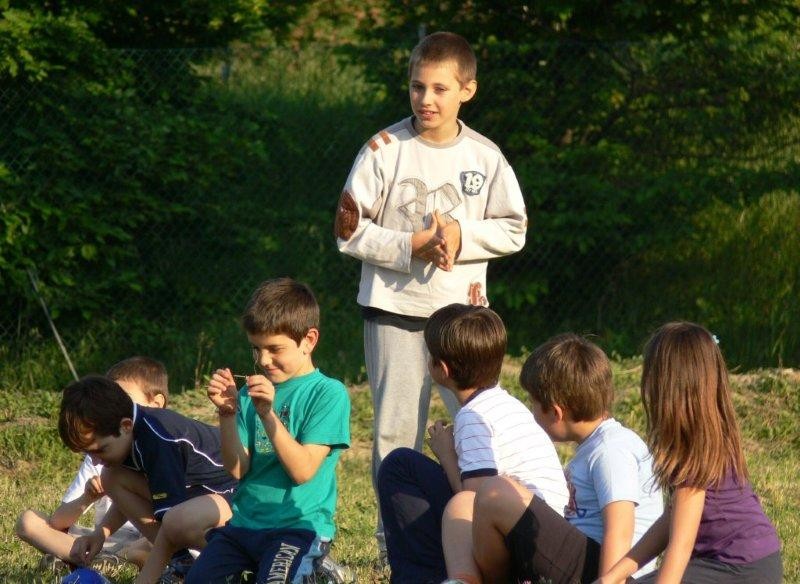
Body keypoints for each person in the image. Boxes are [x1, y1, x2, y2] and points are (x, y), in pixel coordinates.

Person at [335, 30, 527, 556]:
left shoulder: (486, 158)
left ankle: (491, 530)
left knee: (479, 429)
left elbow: (515, 228)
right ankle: (394, 542)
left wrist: (462, 237)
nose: (427, 100)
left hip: (462, 320)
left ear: (467, 90)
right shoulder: (383, 149)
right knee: (395, 435)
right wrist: (411, 245)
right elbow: (347, 230)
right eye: (418, 87)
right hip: (394, 314)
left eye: (441, 89)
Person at [377, 304, 568, 584]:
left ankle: (423, 577)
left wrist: (446, 455)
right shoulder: (507, 404)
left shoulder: (473, 417)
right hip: (547, 536)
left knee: (400, 466)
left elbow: (476, 501)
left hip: (522, 546)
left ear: (441, 368)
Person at [450, 334, 663, 584]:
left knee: (495, 492)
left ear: (555, 412)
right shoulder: (595, 445)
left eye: (534, 403)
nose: (531, 411)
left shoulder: (611, 449)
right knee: (464, 503)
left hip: (608, 571)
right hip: (579, 559)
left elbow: (620, 529)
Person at [186, 277, 351, 583]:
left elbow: (302, 471)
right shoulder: (249, 394)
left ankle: (315, 568)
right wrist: (226, 414)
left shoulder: (328, 393)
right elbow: (236, 470)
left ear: (309, 340)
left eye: (275, 349)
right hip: (244, 526)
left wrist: (268, 415)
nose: (263, 360)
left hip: (297, 529)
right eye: (256, 349)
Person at [597, 322, 783, 583]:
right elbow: (671, 521)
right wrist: (612, 577)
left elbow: (679, 549)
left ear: (667, 387)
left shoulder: (692, 455)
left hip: (737, 569)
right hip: (752, 563)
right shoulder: (710, 434)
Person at [57, 375, 238, 584]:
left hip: (239, 500)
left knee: (177, 520)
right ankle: (183, 564)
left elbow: (170, 524)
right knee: (111, 477)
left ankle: (235, 564)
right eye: (89, 454)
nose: (96, 462)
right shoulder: (128, 433)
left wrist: (145, 579)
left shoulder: (158, 439)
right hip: (201, 497)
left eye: (100, 450)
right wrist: (100, 534)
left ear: (125, 426)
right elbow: (134, 496)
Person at [15, 356, 169, 572]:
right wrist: (87, 497)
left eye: (124, 399)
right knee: (28, 522)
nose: (115, 408)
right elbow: (59, 522)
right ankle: (99, 561)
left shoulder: (162, 447)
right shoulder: (99, 454)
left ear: (156, 404)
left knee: (149, 545)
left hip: (147, 538)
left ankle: (83, 561)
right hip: (102, 540)